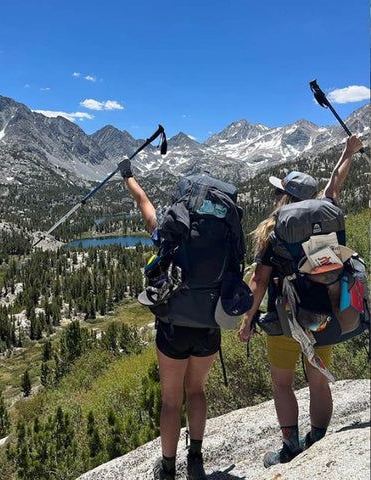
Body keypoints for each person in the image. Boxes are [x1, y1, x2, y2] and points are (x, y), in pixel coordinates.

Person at [238, 134, 364, 467]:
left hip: (285, 320)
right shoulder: (328, 216)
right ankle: (318, 439)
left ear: (284, 196)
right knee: (318, 381)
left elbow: (260, 280)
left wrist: (248, 319)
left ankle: (290, 446)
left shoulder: (272, 229)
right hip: (324, 313)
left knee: (282, 384)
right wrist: (347, 152)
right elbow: (334, 186)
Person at [118, 158, 221, 480]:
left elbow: (143, 202)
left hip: (173, 328)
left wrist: (127, 175)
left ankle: (166, 467)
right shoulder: (219, 234)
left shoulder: (167, 230)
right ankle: (196, 458)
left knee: (170, 400)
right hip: (209, 326)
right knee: (197, 392)